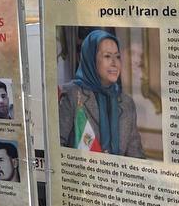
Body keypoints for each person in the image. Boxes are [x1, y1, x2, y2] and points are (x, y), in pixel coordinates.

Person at [58, 29, 145, 158]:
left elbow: (136, 155)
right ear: (91, 59)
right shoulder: (71, 94)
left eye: (117, 56)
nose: (114, 63)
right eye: (107, 56)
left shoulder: (127, 103)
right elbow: (56, 149)